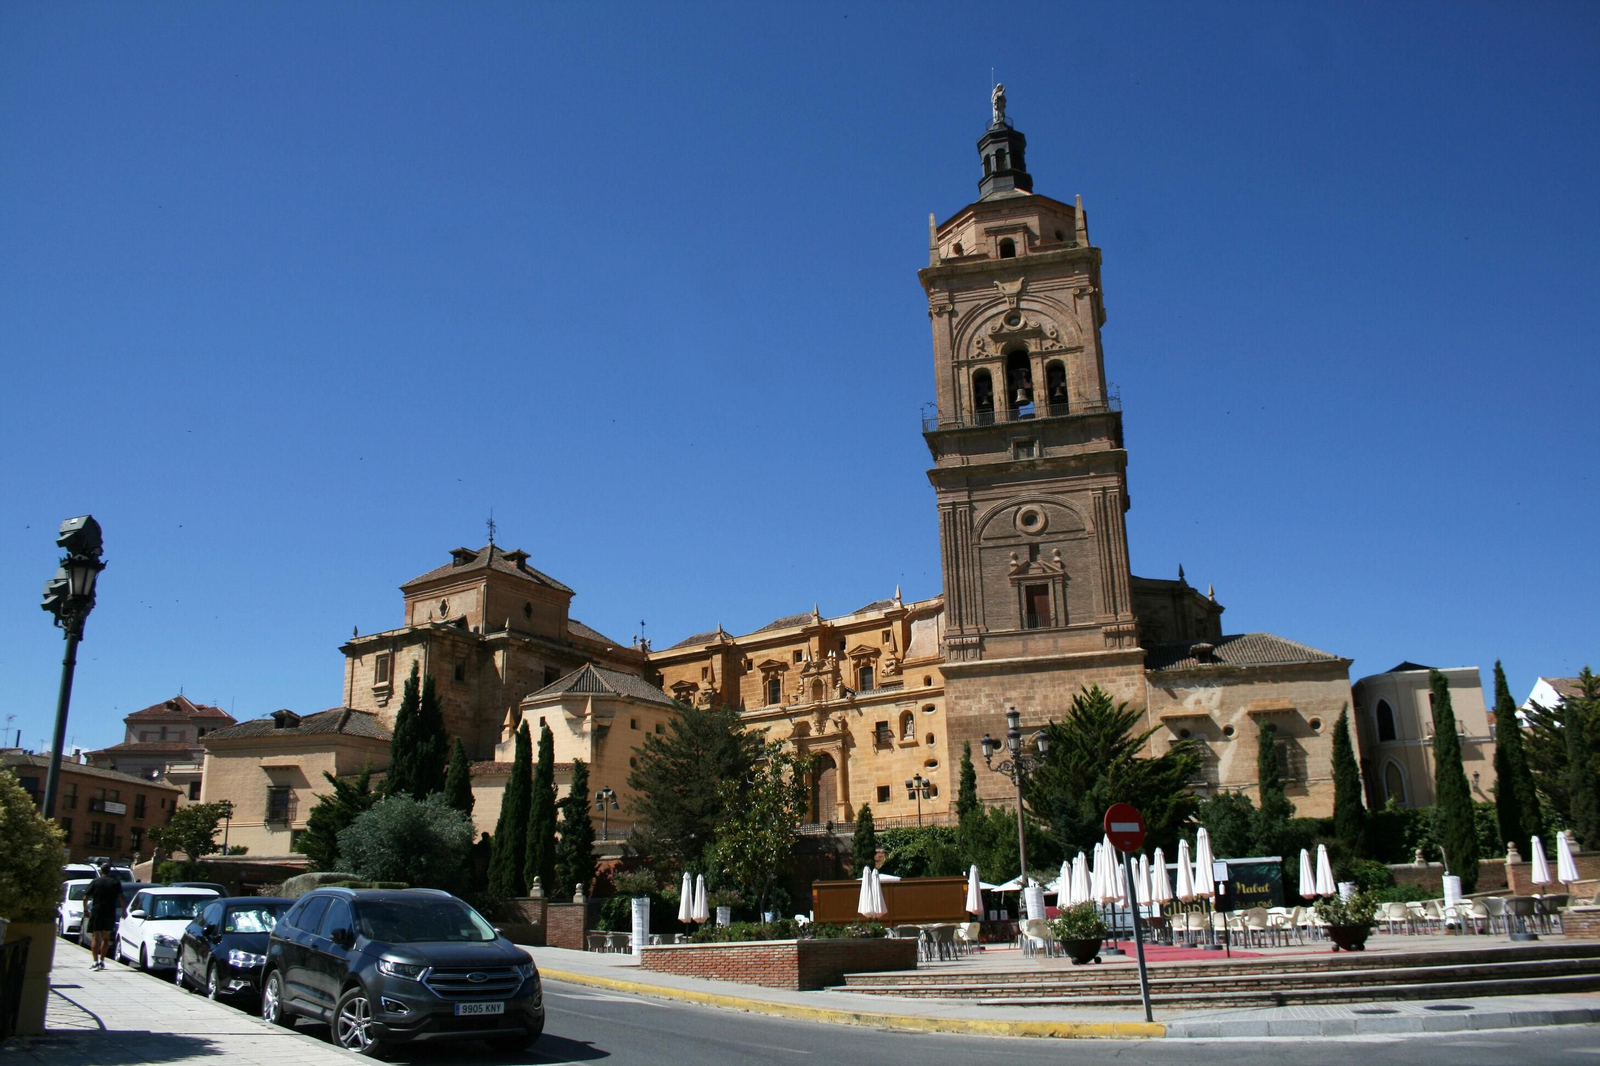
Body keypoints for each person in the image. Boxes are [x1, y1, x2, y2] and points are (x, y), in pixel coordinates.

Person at [84, 864, 122, 970]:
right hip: (109, 911)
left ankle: (95, 961)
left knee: (96, 937)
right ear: (110, 871)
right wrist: (124, 911)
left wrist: (85, 910)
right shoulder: (115, 882)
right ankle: (102, 961)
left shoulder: (95, 881)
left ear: (101, 871)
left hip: (97, 911)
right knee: (106, 937)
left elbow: (85, 897)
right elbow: (121, 898)